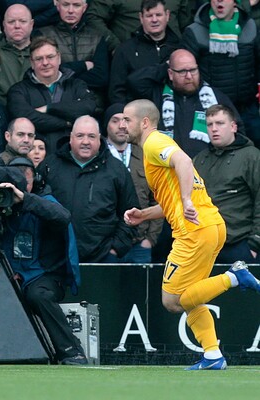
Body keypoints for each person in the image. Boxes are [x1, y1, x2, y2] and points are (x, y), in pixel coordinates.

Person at [122, 98, 260, 370]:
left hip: (194, 231)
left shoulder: (153, 143)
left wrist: (186, 201)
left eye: (127, 119)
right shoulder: (156, 145)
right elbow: (172, 197)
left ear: (145, 122)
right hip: (210, 226)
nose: (123, 125)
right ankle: (212, 355)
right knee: (191, 296)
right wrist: (144, 214)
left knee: (172, 300)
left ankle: (234, 277)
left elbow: (183, 162)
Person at [0, 156, 87, 365]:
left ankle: (71, 351)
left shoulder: (44, 200)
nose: (19, 185)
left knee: (39, 296)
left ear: (35, 181)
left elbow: (62, 217)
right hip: (4, 272)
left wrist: (26, 199)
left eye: (25, 179)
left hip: (44, 276)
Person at [42, 115, 139, 263]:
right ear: (71, 138)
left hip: (102, 258)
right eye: (80, 136)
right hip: (55, 259)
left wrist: (115, 249)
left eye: (91, 136)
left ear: (100, 139)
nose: (85, 142)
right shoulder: (50, 166)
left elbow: (131, 215)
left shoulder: (116, 170)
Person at [127, 49, 241, 158]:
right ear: (170, 74)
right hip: (167, 166)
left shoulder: (215, 97)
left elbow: (237, 130)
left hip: (209, 168)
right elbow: (135, 81)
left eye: (193, 70)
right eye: (182, 71)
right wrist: (165, 66)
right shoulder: (158, 94)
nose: (189, 76)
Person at [182, 0, 260, 147]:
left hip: (247, 108)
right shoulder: (195, 31)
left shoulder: (249, 27)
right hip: (212, 110)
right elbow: (186, 71)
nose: (219, 1)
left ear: (235, 2)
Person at [193, 104, 259, 264]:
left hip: (239, 244)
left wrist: (255, 244)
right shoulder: (199, 160)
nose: (214, 129)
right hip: (203, 246)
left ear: (233, 127)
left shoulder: (252, 157)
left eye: (220, 123)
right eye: (210, 124)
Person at [7, 35, 96, 151]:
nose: (45, 63)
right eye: (39, 59)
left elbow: (88, 107)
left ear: (59, 58)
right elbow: (27, 118)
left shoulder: (76, 85)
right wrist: (68, 123)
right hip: (35, 155)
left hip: (72, 155)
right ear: (32, 63)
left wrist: (49, 108)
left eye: (50, 57)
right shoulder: (18, 90)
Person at [104, 103, 162, 264]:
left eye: (126, 121)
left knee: (140, 289)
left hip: (140, 243)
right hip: (108, 244)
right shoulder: (99, 157)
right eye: (115, 121)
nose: (122, 126)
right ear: (106, 125)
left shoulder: (146, 154)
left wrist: (150, 239)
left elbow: (158, 198)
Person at [39, 0, 112, 107]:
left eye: (76, 5)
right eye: (66, 4)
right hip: (54, 104)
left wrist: (62, 74)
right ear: (57, 5)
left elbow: (101, 77)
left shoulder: (97, 37)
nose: (70, 10)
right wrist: (83, 65)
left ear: (84, 8)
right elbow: (44, 73)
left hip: (92, 105)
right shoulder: (43, 35)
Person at [108, 0, 181, 104]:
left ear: (167, 15)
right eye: (149, 16)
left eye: (158, 15)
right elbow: (117, 93)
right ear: (141, 18)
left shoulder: (179, 48)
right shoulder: (125, 50)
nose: (154, 20)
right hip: (137, 115)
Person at [0, 3, 33, 106]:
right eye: (11, 22)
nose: (17, 26)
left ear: (31, 24)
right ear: (4, 25)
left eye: (22, 21)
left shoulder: (42, 53)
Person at [86, 0, 191, 50]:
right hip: (132, 59)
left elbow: (187, 22)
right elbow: (93, 17)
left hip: (173, 57)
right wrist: (115, 46)